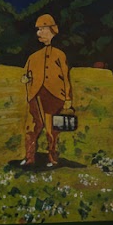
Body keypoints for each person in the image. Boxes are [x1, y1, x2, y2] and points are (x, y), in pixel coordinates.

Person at [20, 13, 73, 167]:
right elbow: (25, 75)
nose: (39, 32)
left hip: (54, 96)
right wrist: (26, 79)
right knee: (32, 127)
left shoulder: (60, 55)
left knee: (51, 130)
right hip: (35, 96)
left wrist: (68, 98)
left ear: (52, 30)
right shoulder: (33, 57)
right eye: (38, 29)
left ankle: (52, 158)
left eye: (42, 29)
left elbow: (65, 77)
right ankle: (29, 158)